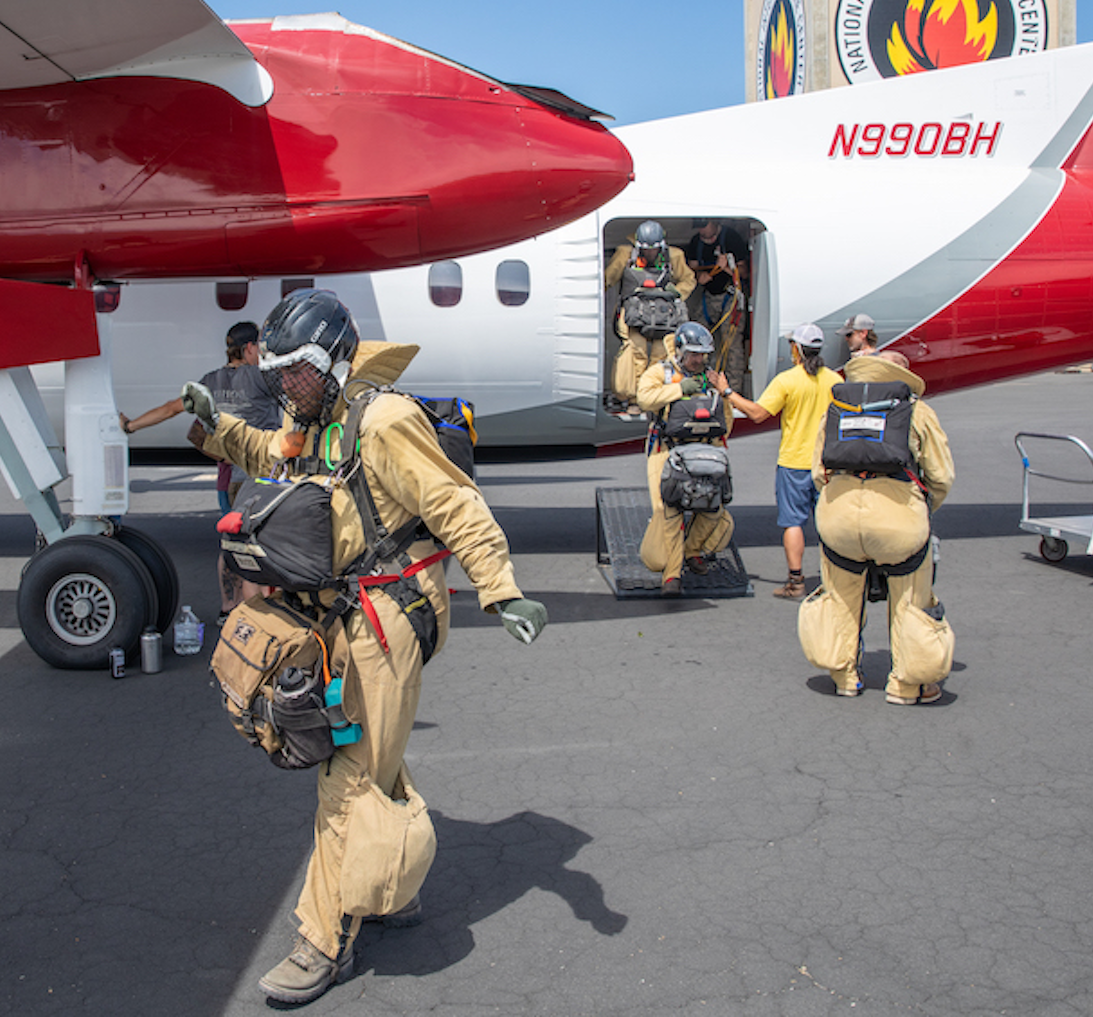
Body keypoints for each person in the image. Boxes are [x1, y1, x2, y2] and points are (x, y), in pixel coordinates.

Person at [181, 288, 547, 1005]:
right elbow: (267, 454)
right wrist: (215, 425)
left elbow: (456, 503)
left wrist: (501, 591)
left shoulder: (383, 422)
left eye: (296, 372)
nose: (284, 385)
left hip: (387, 614)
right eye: (278, 373)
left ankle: (322, 943)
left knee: (345, 779)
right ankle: (391, 892)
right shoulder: (308, 415)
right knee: (376, 756)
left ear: (334, 362)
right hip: (336, 612)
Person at [798, 350, 956, 704]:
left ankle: (844, 676)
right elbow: (942, 476)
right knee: (911, 602)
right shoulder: (917, 412)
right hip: (898, 522)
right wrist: (923, 507)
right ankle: (907, 685)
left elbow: (818, 472)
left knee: (840, 598)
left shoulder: (836, 412)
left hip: (838, 519)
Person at [121, 321, 282, 622]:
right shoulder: (263, 378)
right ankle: (258, 620)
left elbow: (171, 408)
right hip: (260, 478)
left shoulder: (209, 380)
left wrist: (131, 426)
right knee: (258, 550)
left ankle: (227, 609)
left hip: (227, 480)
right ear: (249, 348)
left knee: (231, 544)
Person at [725, 323, 841, 600]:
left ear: (796, 350)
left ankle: (796, 581)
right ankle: (834, 581)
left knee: (793, 523)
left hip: (794, 463)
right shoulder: (836, 381)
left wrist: (728, 393)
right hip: (827, 464)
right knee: (829, 525)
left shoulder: (787, 380)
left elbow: (756, 413)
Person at [636, 322, 734, 597]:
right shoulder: (661, 373)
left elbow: (725, 419)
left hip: (704, 450)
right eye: (693, 354)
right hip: (667, 451)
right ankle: (672, 576)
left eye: (703, 355)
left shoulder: (711, 378)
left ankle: (692, 551)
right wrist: (680, 390)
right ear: (679, 351)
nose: (699, 360)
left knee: (714, 509)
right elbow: (644, 399)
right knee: (669, 510)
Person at [604, 221, 696, 409]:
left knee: (660, 357)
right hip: (634, 314)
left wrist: (676, 293)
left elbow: (688, 279)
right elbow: (607, 279)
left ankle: (656, 397)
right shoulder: (625, 254)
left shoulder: (674, 256)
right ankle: (635, 398)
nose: (650, 253)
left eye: (654, 249)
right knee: (635, 354)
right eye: (646, 250)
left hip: (665, 316)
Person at [684, 219, 750, 386]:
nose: (702, 232)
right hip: (708, 297)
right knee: (696, 339)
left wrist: (726, 267)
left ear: (714, 223)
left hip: (730, 296)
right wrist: (699, 277)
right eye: (699, 228)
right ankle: (697, 384)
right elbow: (690, 270)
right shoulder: (695, 242)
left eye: (704, 227)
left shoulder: (732, 239)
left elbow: (744, 273)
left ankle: (733, 389)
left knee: (731, 343)